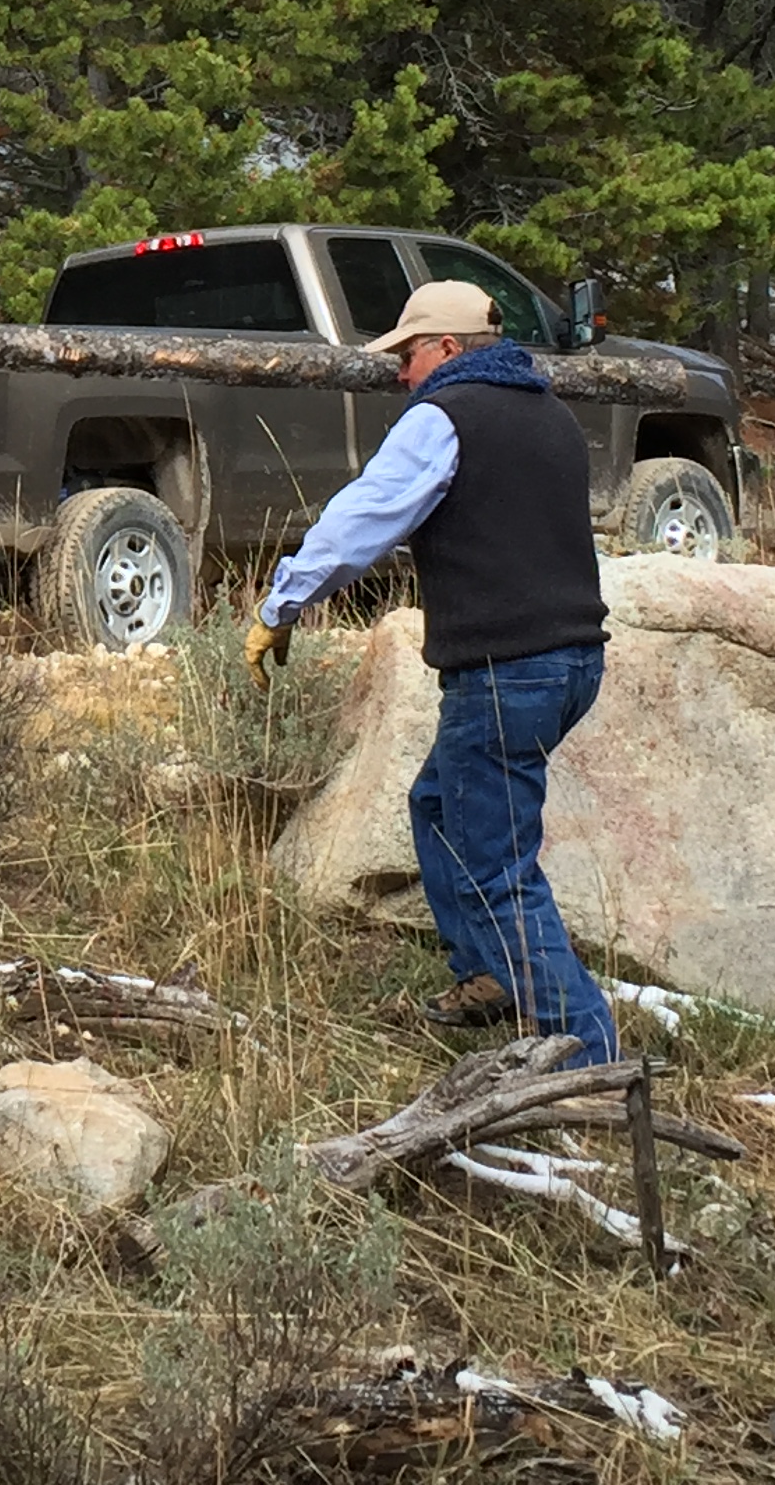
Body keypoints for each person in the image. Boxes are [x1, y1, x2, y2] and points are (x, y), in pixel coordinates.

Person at [245, 277, 619, 1065]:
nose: (400, 371)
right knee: (442, 807)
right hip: (574, 660)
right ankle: (488, 975)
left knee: (497, 863)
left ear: (448, 349)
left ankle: (588, 1055)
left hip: (503, 668)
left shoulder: (444, 417)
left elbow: (361, 522)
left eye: (409, 354)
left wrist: (283, 603)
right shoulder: (550, 415)